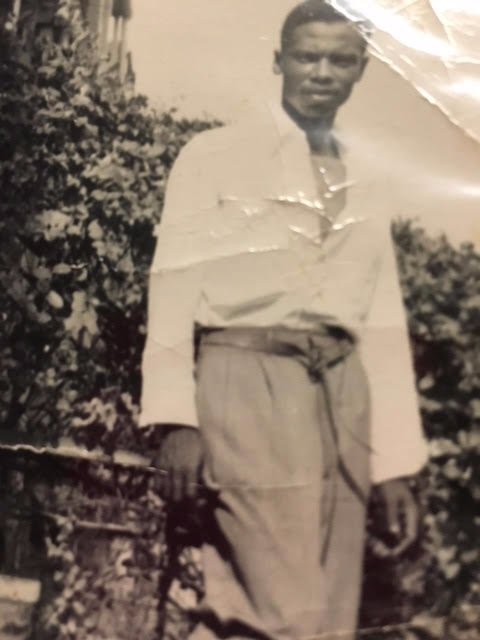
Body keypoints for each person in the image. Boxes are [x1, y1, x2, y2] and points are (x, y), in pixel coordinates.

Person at [140, 1, 429, 638]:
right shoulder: (213, 155)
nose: (322, 72)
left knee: (324, 614)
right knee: (288, 609)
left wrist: (393, 466)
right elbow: (172, 291)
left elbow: (382, 322)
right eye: (307, 56)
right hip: (246, 387)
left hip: (342, 400)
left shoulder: (368, 177)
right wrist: (176, 419)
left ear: (361, 69)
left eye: (340, 60)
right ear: (279, 61)